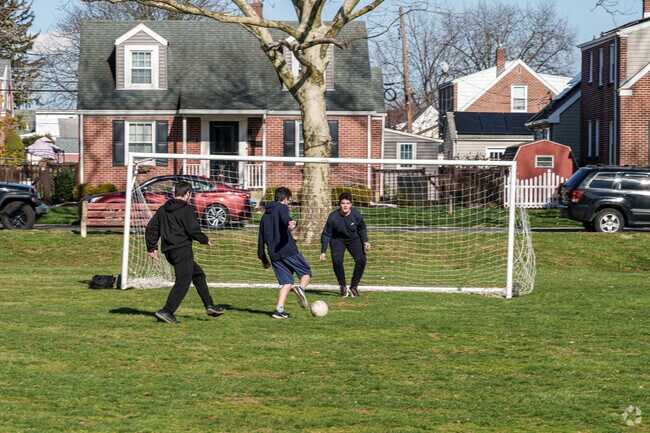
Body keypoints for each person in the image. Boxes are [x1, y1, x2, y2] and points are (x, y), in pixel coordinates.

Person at [145, 180, 224, 324]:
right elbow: (193, 230)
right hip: (181, 250)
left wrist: (152, 247)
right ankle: (167, 311)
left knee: (198, 275)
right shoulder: (187, 209)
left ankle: (210, 305)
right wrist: (204, 240)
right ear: (188, 194)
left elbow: (151, 228)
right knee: (183, 282)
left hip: (169, 251)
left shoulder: (163, 209)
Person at [257, 186, 310, 319]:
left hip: (273, 254)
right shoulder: (282, 207)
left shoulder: (264, 217)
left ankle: (279, 310)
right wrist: (290, 222)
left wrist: (263, 258)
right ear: (285, 199)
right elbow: (285, 217)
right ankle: (301, 289)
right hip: (287, 249)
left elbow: (260, 239)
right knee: (306, 272)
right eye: (289, 201)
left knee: (287, 281)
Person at [320, 192, 371, 297]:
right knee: (337, 261)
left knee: (361, 260)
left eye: (347, 203)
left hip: (354, 239)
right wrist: (323, 251)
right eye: (343, 203)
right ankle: (343, 286)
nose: (345, 205)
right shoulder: (333, 217)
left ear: (351, 204)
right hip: (337, 240)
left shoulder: (356, 215)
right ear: (339, 204)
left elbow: (362, 228)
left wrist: (365, 241)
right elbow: (326, 233)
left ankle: (353, 287)